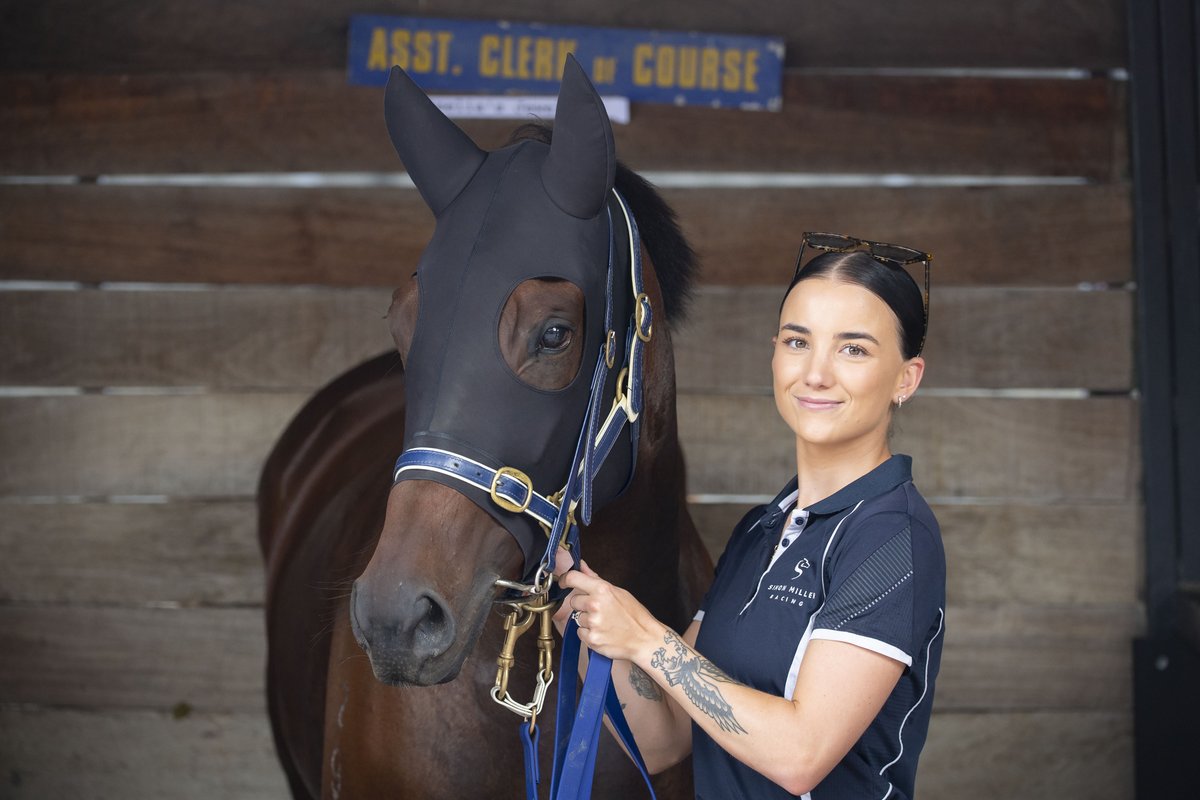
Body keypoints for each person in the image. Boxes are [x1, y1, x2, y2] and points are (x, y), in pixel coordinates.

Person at [555, 232, 946, 799]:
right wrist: (592, 625)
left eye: (853, 349)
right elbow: (666, 736)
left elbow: (800, 755)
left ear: (906, 379)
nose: (815, 373)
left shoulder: (891, 538)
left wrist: (643, 637)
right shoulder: (763, 529)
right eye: (797, 341)